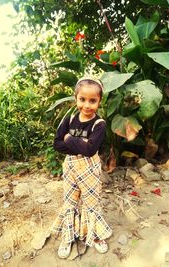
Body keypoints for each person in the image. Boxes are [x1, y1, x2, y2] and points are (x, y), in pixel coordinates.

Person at [52, 76, 112, 259]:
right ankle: (68, 236)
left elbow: (90, 150)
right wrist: (81, 143)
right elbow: (57, 144)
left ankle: (94, 234)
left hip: (90, 168)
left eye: (93, 101)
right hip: (70, 166)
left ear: (99, 101)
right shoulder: (69, 119)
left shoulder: (99, 124)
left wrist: (69, 139)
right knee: (70, 200)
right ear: (76, 98)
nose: (87, 105)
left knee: (91, 201)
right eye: (82, 99)